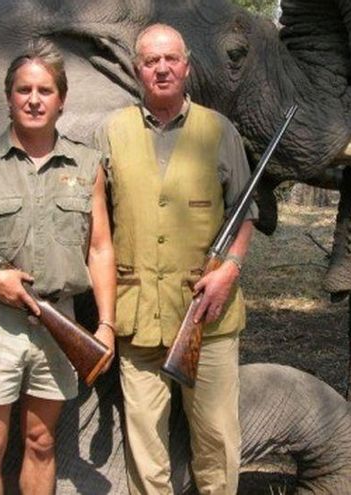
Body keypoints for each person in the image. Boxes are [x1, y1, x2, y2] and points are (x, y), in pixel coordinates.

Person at [0, 39, 115, 494]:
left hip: (59, 324)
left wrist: (107, 325)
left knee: (41, 442)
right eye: (23, 89)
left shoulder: (88, 165)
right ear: (9, 97)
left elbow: (100, 248)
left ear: (62, 99)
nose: (34, 99)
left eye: (45, 90)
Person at [95, 23, 256, 495]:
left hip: (208, 315)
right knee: (145, 447)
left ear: (186, 66)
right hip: (137, 315)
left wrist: (231, 269)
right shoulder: (110, 131)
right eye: (151, 61)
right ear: (137, 70)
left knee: (217, 441)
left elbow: (246, 213)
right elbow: (96, 224)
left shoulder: (219, 130)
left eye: (171, 59)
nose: (161, 68)